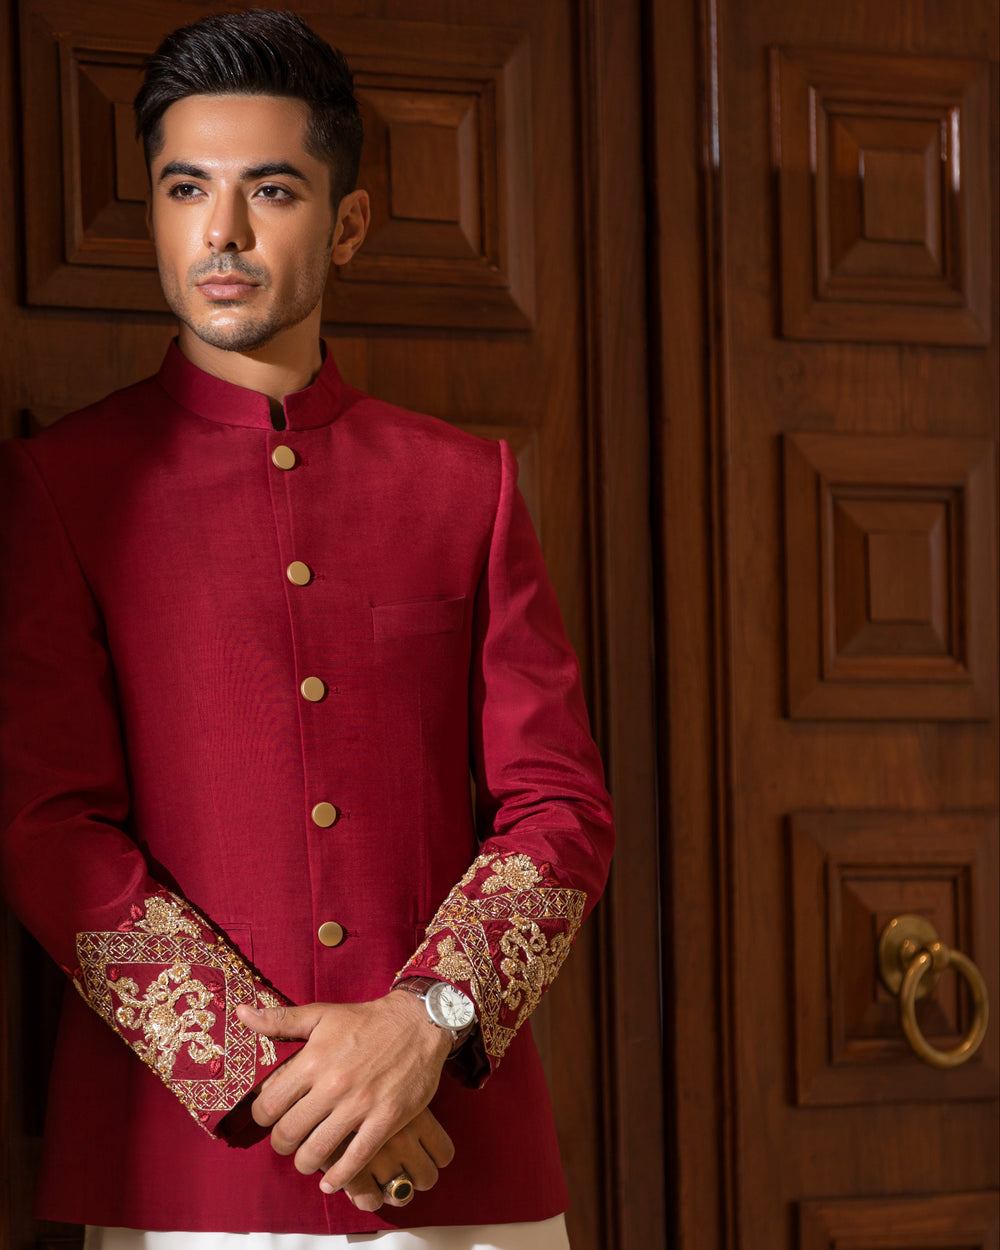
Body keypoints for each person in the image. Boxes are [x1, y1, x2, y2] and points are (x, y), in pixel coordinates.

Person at [0, 10, 614, 1249]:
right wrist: (288, 1085)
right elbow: (47, 826)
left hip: (466, 1172)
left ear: (346, 223)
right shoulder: (60, 490)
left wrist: (422, 1023)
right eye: (187, 189)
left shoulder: (466, 484)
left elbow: (561, 806)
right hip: (185, 1185)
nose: (220, 234)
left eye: (268, 191)